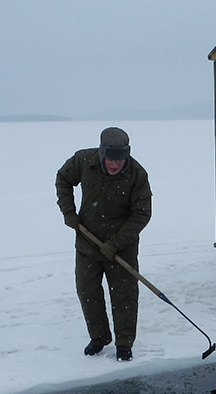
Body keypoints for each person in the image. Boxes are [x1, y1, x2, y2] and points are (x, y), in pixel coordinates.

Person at [55, 127, 152, 361]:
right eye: (111, 159)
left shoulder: (137, 174)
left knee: (124, 294)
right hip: (88, 241)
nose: (115, 164)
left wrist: (115, 243)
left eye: (120, 159)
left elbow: (142, 214)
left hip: (122, 246)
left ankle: (124, 343)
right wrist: (69, 213)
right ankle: (99, 337)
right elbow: (63, 179)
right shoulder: (84, 161)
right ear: (101, 153)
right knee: (88, 290)